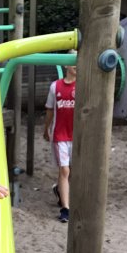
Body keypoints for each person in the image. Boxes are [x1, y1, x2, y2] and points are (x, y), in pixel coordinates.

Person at [43, 59, 76, 223]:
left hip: (77, 135)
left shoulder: (83, 85)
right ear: (66, 65)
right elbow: (49, 110)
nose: (76, 65)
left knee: (72, 171)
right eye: (73, 61)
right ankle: (65, 209)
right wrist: (46, 128)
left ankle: (59, 190)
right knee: (64, 171)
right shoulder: (55, 86)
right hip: (60, 135)